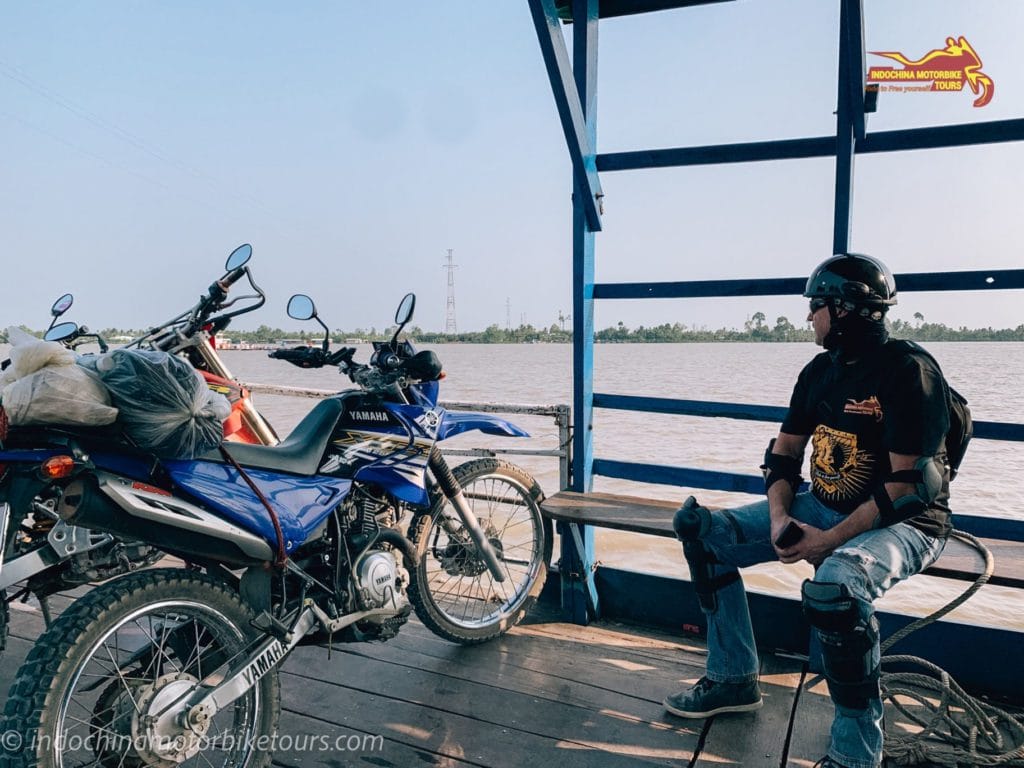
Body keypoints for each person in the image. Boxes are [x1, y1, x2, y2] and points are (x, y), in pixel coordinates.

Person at [662, 253, 953, 768]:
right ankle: (732, 678)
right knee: (703, 532)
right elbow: (785, 454)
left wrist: (828, 541)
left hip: (905, 524)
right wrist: (780, 519)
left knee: (835, 590)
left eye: (816, 305)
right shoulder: (819, 371)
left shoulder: (909, 371)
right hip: (820, 505)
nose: (809, 316)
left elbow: (907, 487)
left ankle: (856, 756)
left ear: (846, 309)